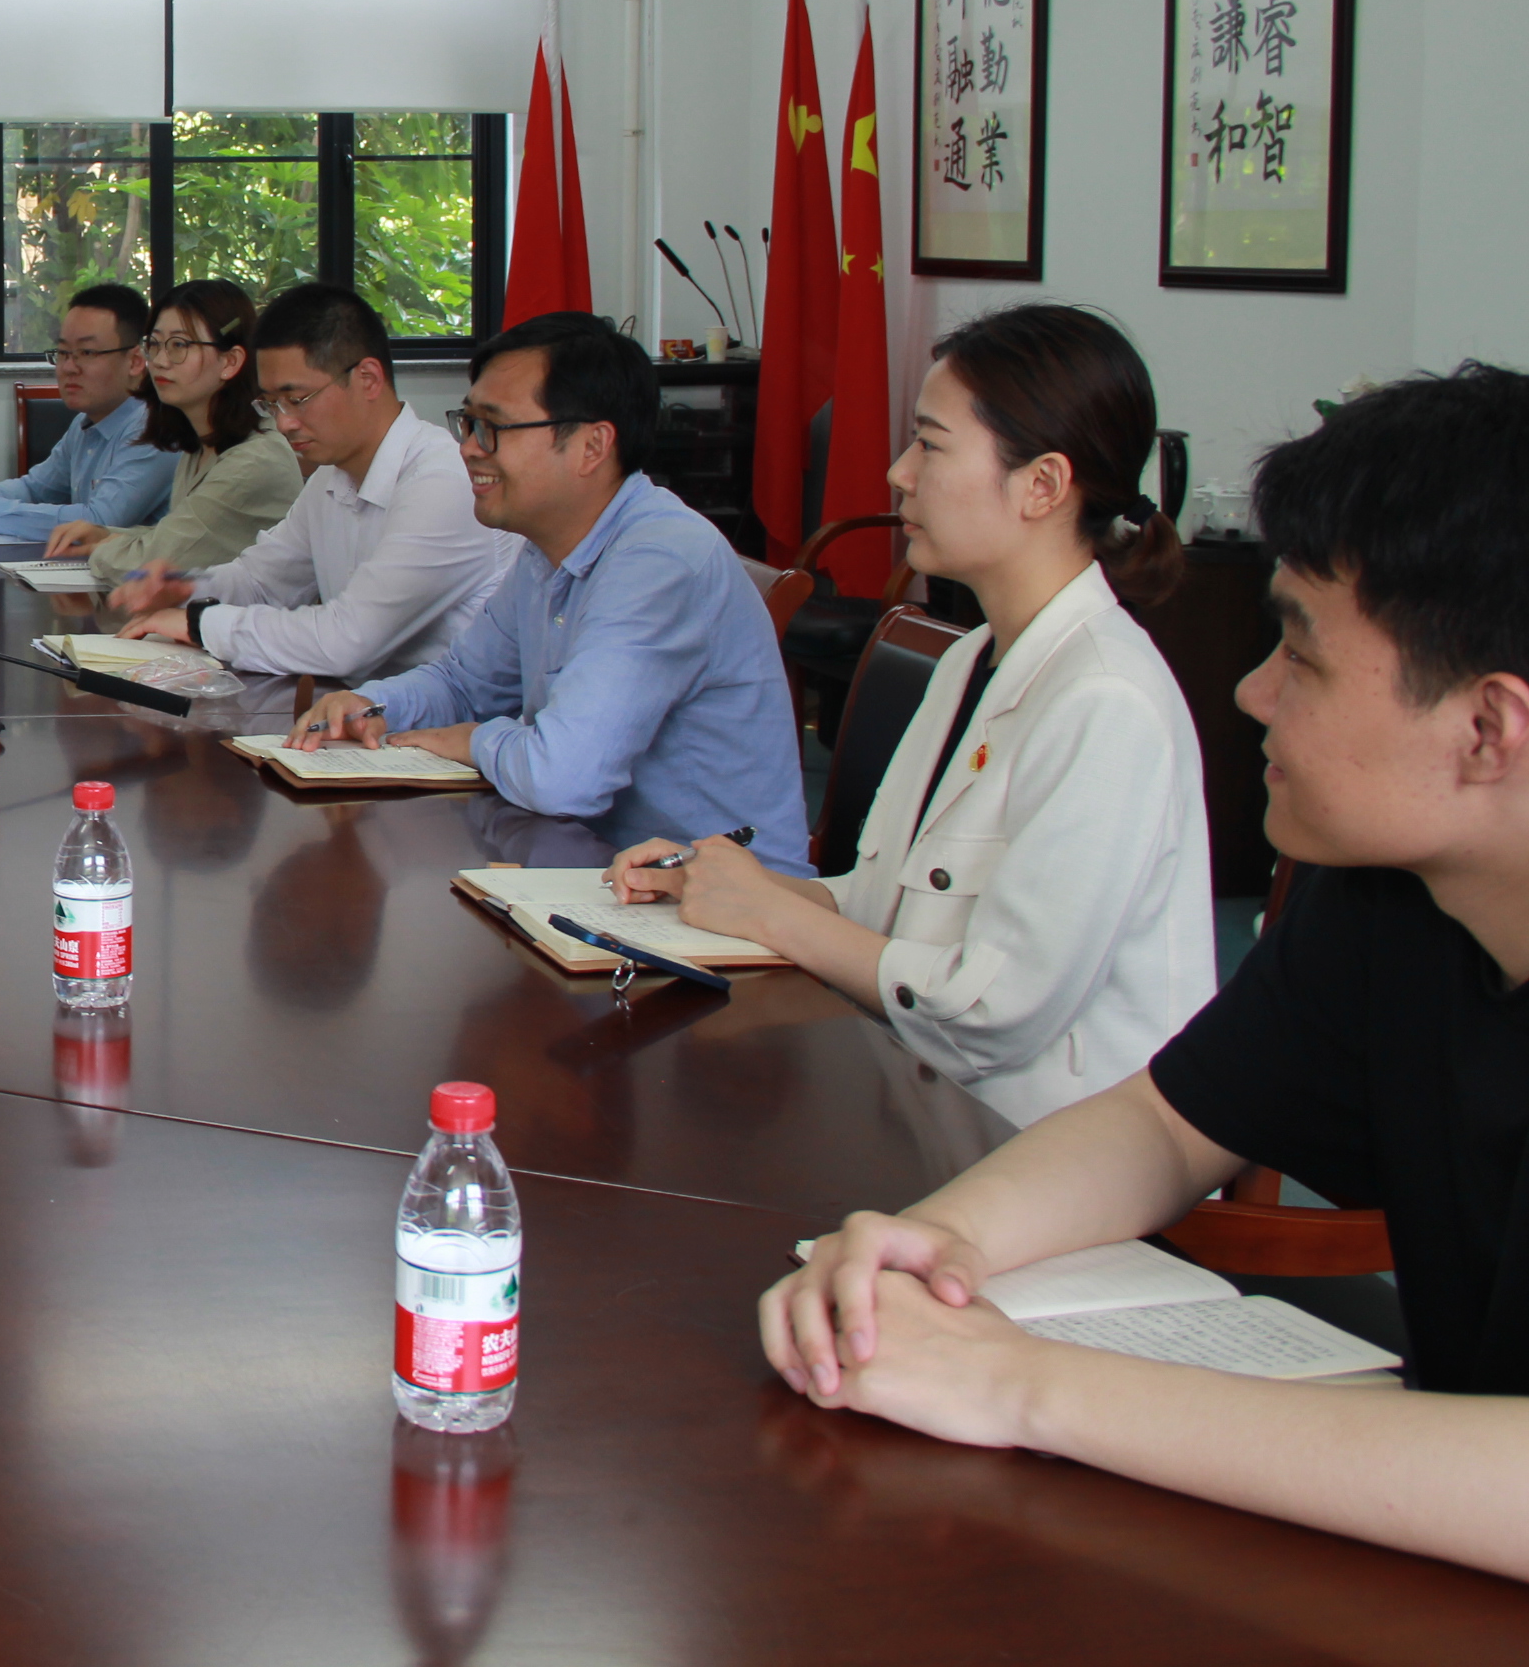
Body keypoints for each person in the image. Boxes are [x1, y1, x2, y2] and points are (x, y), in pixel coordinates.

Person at [762, 365, 1529, 1585]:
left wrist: (1023, 1386)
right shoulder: (1394, 894)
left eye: (1300, 655)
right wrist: (934, 1243)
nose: (1251, 693)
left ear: (1487, 730)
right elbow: (1170, 1123)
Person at [608, 306, 1213, 1125]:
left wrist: (771, 913)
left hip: (1046, 1142)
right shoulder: (973, 657)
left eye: (930, 445)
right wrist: (729, 886)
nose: (899, 473)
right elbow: (886, 902)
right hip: (919, 1099)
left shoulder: (1108, 702)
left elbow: (992, 1013)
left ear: (1042, 485)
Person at [296, 312, 810, 869]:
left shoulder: (659, 561)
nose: (468, 448)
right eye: (467, 423)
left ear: (592, 445)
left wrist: (474, 741)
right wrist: (374, 705)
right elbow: (465, 683)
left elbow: (564, 777)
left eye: (492, 427)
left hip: (720, 900)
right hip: (597, 868)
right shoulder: (548, 549)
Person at [110, 282, 514, 676]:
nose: (284, 422)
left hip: (448, 714)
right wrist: (186, 589)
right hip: (363, 707)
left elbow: (347, 640)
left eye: (297, 399)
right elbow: (262, 582)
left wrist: (199, 623)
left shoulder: (441, 481)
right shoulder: (330, 480)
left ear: (368, 379)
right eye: (271, 403)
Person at [40, 280, 304, 587]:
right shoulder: (200, 444)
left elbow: (156, 564)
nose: (160, 362)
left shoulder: (253, 461)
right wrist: (106, 535)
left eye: (179, 345)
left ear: (230, 361)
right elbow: (178, 535)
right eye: (154, 344)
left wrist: (98, 549)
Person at [0, 284, 175, 544]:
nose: (69, 367)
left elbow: (98, 522)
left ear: (136, 361)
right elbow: (36, 488)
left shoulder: (157, 429)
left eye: (87, 353)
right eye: (63, 353)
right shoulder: (85, 423)